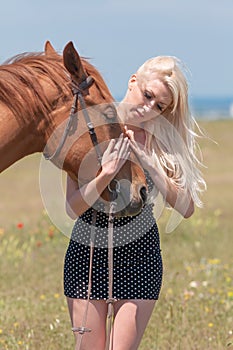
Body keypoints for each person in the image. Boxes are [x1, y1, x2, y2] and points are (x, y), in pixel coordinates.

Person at [64, 56, 206, 350]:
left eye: (159, 106)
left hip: (140, 257)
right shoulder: (89, 129)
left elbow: (187, 208)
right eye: (148, 96)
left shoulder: (158, 141)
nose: (149, 108)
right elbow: (72, 207)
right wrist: (106, 174)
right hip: (87, 251)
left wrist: (149, 163)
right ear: (132, 82)